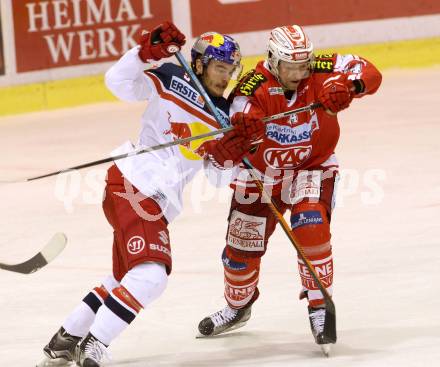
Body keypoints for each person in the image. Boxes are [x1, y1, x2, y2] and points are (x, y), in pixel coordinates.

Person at [38, 21, 249, 367]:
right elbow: (118, 83)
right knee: (150, 276)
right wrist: (142, 53)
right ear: (198, 63)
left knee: (126, 278)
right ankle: (94, 344)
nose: (225, 76)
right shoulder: (170, 76)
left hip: (152, 200)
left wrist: (229, 156)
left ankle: (66, 339)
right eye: (219, 67)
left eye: (230, 69)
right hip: (136, 185)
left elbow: (215, 178)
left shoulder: (223, 117)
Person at [197, 24, 382, 352]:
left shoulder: (321, 68)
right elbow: (239, 111)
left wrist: (350, 86)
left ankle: (319, 305)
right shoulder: (252, 86)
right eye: (290, 66)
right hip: (262, 175)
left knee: (310, 224)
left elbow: (369, 71)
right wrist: (246, 129)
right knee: (239, 256)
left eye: (303, 64)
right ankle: (239, 305)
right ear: (272, 60)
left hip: (313, 167)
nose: (299, 72)